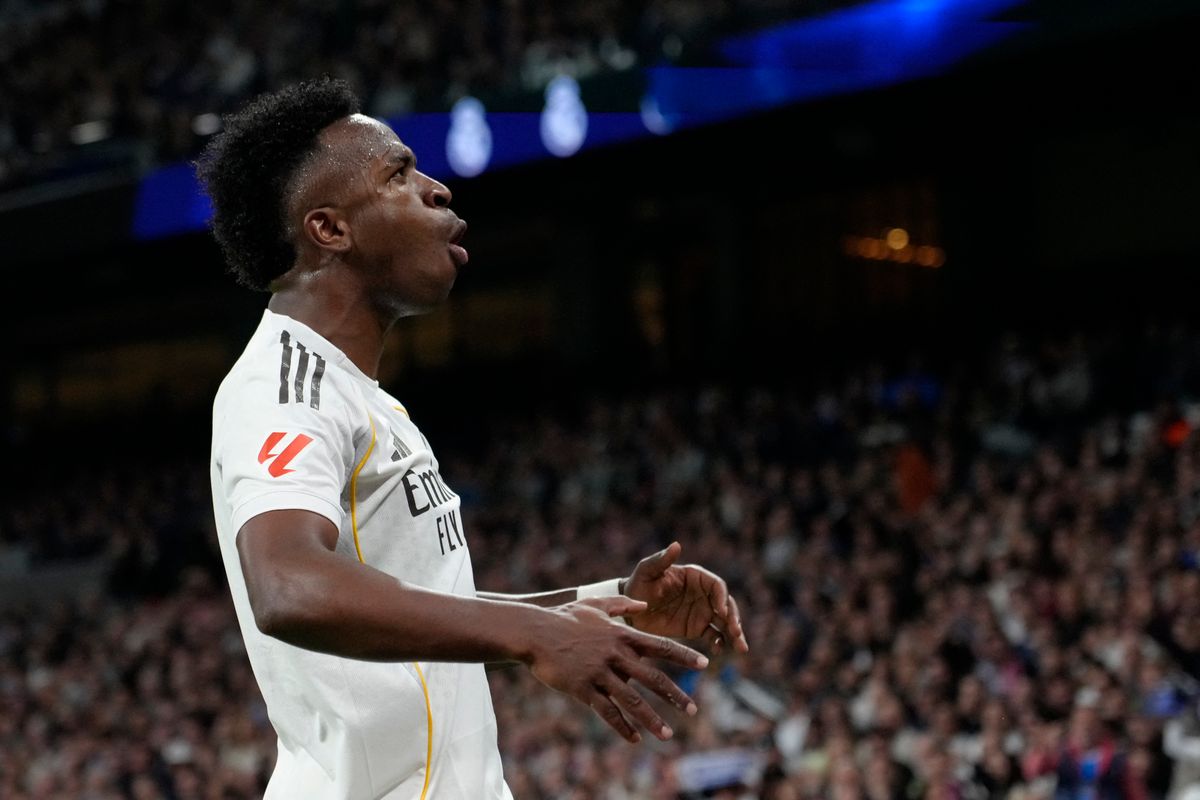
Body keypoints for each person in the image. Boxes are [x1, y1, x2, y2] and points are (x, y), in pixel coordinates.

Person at [197, 77, 749, 800]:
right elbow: (290, 586)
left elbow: (423, 601)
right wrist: (534, 638)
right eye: (398, 174)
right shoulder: (285, 386)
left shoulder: (360, 397)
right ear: (329, 229)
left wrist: (597, 603)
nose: (437, 189)